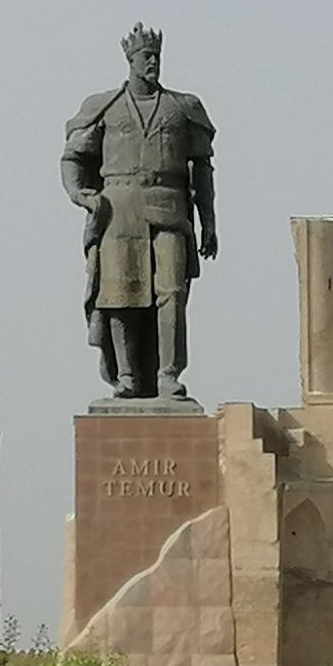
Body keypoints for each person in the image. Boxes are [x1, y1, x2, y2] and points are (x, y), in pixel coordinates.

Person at [61, 24, 217, 399]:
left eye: (157, 57)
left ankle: (168, 373)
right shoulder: (105, 107)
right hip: (118, 210)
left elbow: (202, 171)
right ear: (130, 61)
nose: (153, 63)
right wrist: (81, 195)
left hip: (169, 207)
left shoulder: (183, 108)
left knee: (172, 293)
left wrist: (209, 222)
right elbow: (73, 158)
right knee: (120, 295)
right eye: (146, 57)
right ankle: (128, 375)